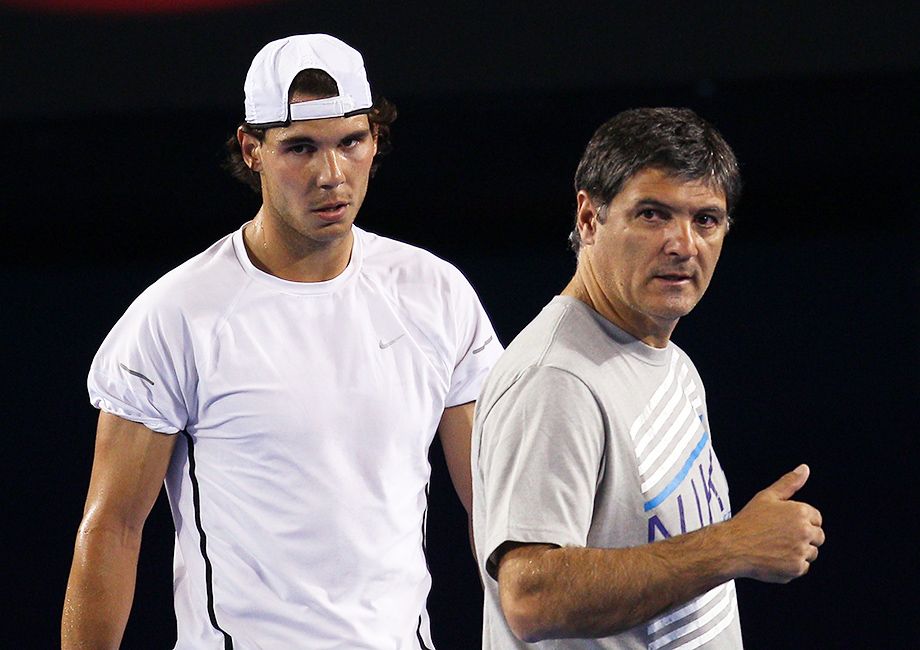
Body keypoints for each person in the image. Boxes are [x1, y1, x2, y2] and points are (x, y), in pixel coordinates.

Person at [62, 34, 500, 649]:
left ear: (375, 141)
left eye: (351, 142)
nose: (331, 175)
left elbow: (495, 508)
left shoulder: (437, 294)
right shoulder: (175, 316)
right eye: (301, 148)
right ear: (253, 150)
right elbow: (113, 529)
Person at [471, 107, 825, 649]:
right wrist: (731, 546)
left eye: (705, 220)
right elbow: (531, 597)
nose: (683, 244)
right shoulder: (556, 379)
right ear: (589, 219)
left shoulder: (671, 361)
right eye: (653, 214)